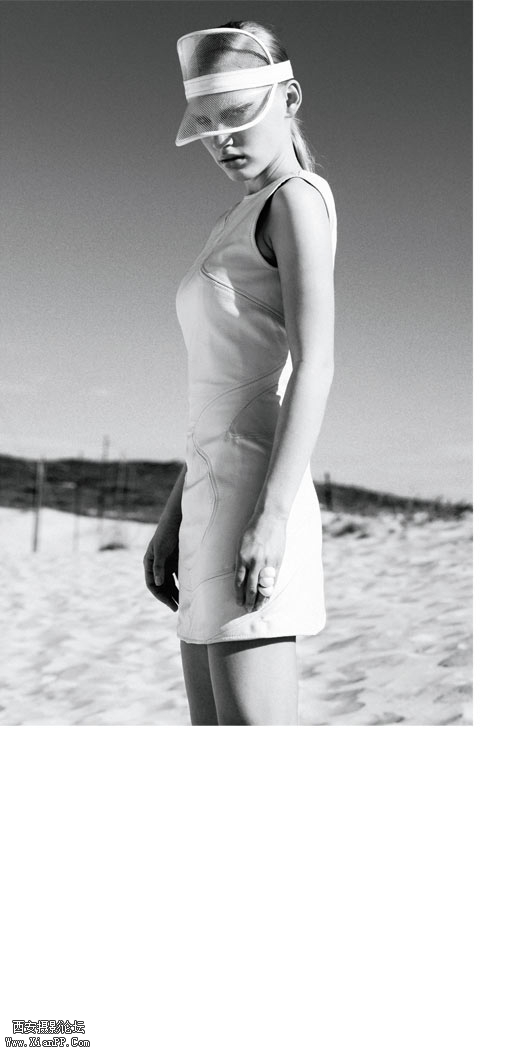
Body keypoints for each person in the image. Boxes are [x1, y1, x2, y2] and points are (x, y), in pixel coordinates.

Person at [143, 20, 336, 726]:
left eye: (237, 116)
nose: (222, 140)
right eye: (207, 123)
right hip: (206, 500)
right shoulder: (235, 216)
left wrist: (272, 517)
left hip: (255, 503)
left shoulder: (296, 199)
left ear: (289, 98)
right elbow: (221, 394)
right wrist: (173, 516)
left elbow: (314, 365)